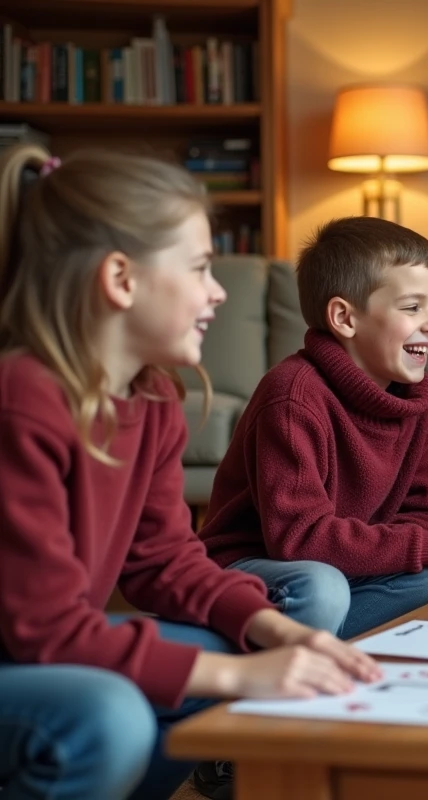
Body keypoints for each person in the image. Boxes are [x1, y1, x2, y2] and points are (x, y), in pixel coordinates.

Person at [0, 146, 378, 800]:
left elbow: (163, 560)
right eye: (201, 267)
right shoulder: (23, 399)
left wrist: (278, 631)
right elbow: (44, 631)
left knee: (239, 648)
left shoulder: (153, 399)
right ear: (121, 278)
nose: (218, 290)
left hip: (42, 651)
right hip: (25, 654)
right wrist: (240, 680)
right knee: (110, 714)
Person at [200, 217, 428, 643]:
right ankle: (290, 650)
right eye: (412, 307)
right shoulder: (292, 396)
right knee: (322, 589)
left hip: (344, 565)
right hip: (259, 566)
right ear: (344, 318)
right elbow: (299, 539)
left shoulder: (412, 400)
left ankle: (316, 643)